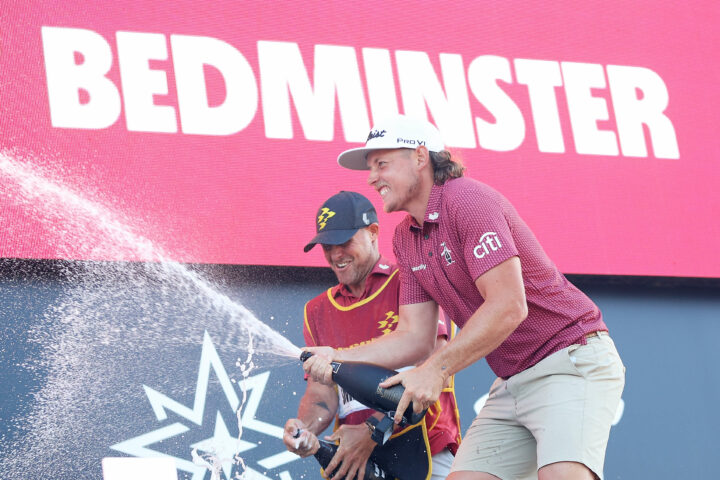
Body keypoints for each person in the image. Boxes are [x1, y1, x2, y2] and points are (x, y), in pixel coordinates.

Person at [303, 115, 625, 480]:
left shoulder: (467, 200)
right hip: (511, 381)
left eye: (382, 163)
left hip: (570, 359)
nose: (372, 177)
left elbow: (508, 306)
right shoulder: (406, 238)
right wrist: (336, 358)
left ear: (420, 157)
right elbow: (414, 337)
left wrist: (436, 370)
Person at [283, 190, 461, 480]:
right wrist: (305, 429)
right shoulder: (316, 311)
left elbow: (435, 368)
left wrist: (372, 432)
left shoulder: (410, 281)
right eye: (326, 246)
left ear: (374, 232)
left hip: (425, 451)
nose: (334, 254)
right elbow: (321, 395)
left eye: (343, 242)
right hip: (358, 463)